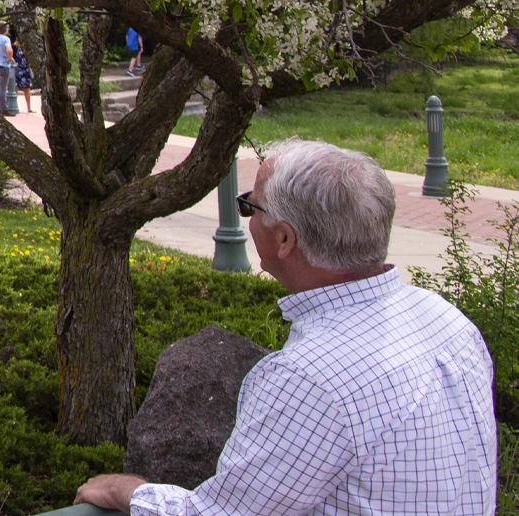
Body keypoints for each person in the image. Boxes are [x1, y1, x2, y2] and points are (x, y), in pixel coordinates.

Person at [74, 139, 497, 514]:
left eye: (250, 207)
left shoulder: (309, 377)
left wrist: (128, 491)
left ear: (284, 240)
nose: (247, 218)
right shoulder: (446, 321)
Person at [11, 39, 36, 115]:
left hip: (25, 69)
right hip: (17, 69)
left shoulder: (27, 47)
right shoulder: (14, 46)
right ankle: (13, 106)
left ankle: (29, 108)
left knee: (27, 88)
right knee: (15, 88)